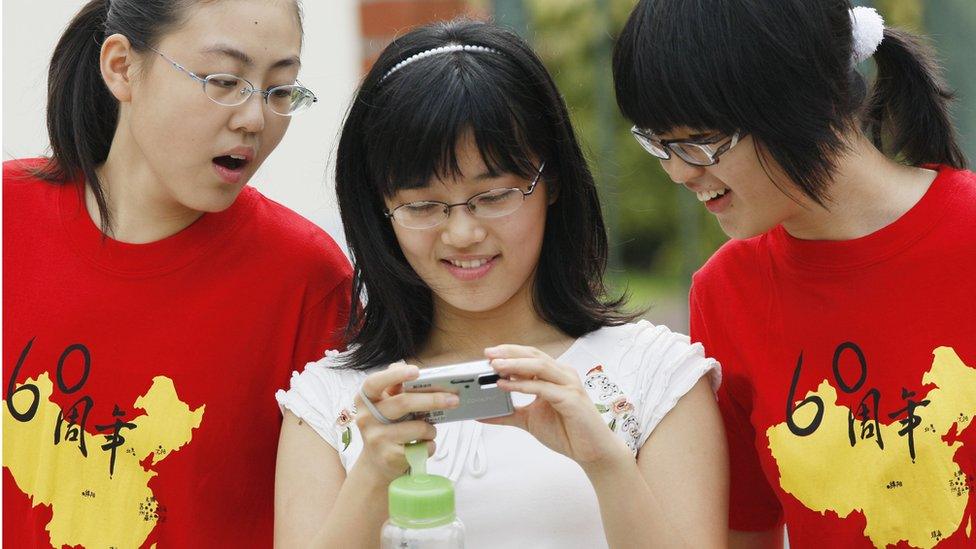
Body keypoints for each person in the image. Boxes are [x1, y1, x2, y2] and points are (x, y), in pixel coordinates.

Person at [274, 18, 727, 549]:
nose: (463, 233)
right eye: (422, 205)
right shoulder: (328, 403)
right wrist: (372, 477)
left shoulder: (658, 377)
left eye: (493, 196)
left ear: (551, 180)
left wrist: (604, 463)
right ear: (380, 210)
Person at [613, 1, 975, 548]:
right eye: (660, 144)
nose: (679, 172)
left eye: (701, 140)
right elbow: (745, 530)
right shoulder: (727, 292)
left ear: (804, 100)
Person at [3, 0, 352, 546]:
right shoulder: (10, 217)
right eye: (224, 79)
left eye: (280, 90)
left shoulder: (307, 279)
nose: (254, 118)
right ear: (121, 67)